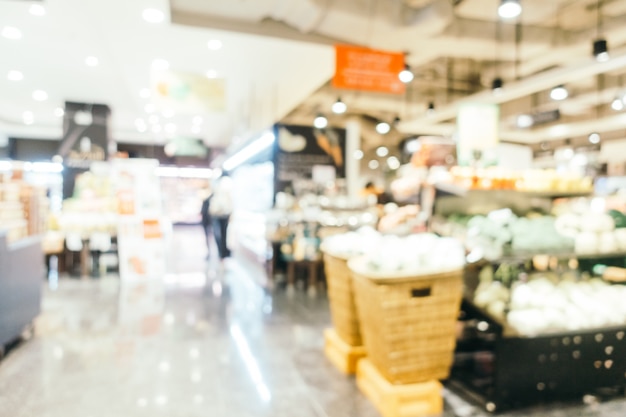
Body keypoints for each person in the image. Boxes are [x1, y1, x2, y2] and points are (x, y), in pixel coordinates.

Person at [209, 176, 233, 262]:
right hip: (217, 215)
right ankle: (221, 252)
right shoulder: (217, 192)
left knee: (224, 235)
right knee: (218, 234)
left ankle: (223, 253)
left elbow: (229, 204)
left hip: (224, 215)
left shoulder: (226, 193)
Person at [200, 187, 213, 259]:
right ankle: (209, 252)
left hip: (210, 221)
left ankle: (212, 252)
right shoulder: (205, 200)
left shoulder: (210, 199)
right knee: (208, 238)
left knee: (211, 238)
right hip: (207, 221)